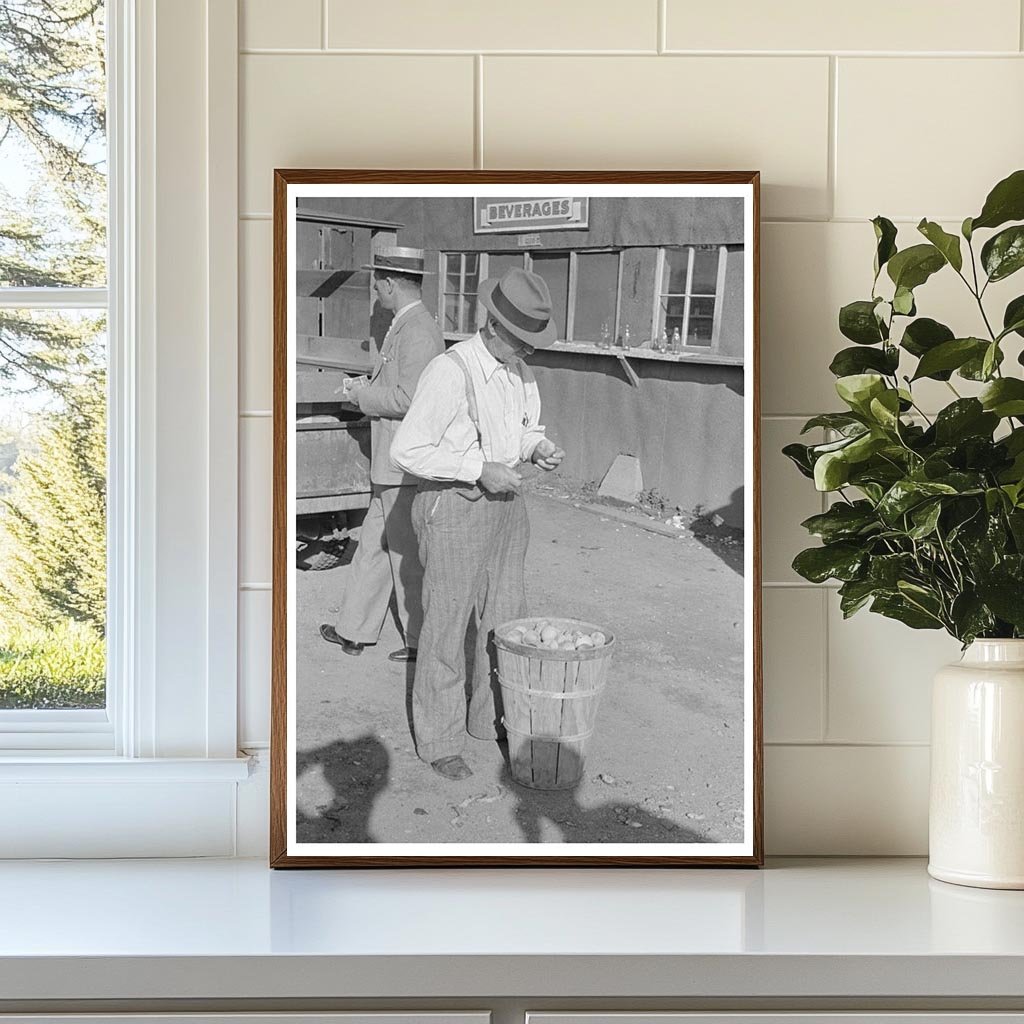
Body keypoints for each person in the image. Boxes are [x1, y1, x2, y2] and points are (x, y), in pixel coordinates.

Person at [390, 267, 566, 780]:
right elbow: (408, 450)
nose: (529, 351)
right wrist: (476, 469)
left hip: (508, 507)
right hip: (454, 504)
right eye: (522, 340)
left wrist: (539, 448)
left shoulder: (519, 370)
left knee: (506, 621)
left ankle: (489, 720)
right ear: (492, 326)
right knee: (446, 625)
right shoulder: (450, 370)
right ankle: (439, 739)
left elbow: (523, 429)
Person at [320, 245, 443, 662]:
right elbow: (394, 379)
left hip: (404, 462)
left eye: (378, 282)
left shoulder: (419, 330)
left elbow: (411, 398)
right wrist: (364, 383)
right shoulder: (404, 325)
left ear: (390, 283)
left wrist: (362, 396)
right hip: (390, 463)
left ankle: (422, 641)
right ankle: (353, 630)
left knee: (405, 554)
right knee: (374, 545)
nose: (376, 289)